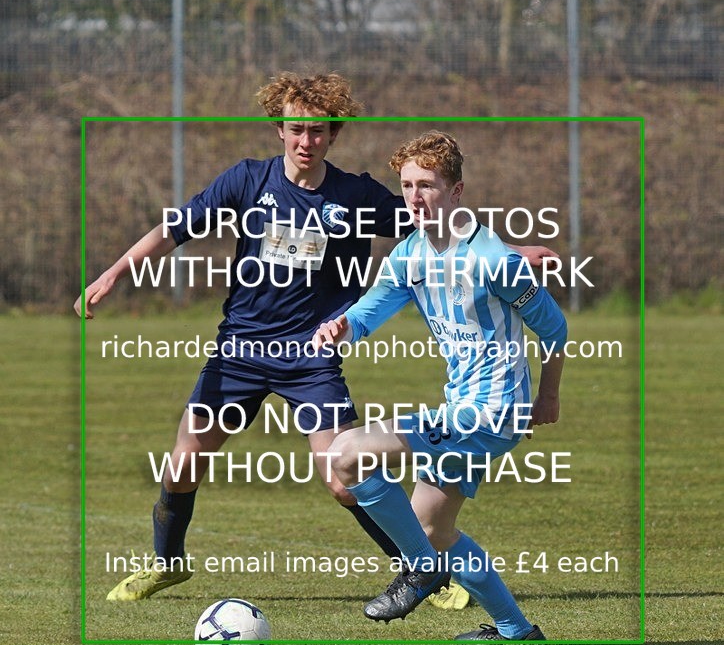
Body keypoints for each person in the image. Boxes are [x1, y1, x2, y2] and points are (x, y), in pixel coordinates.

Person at [76, 73, 555, 604]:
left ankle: (424, 572)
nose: (307, 141)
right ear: (279, 129)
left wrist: (513, 250)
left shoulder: (354, 195)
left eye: (320, 131)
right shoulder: (246, 181)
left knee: (343, 477)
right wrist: (113, 274)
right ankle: (167, 564)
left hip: (312, 357)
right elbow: (174, 229)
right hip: (240, 350)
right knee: (184, 463)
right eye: (297, 129)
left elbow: (435, 220)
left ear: (334, 134)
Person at [312, 131, 567, 641]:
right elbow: (369, 311)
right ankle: (515, 629)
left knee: (346, 453)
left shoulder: (494, 260)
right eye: (406, 185)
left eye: (426, 185)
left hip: (489, 411)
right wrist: (342, 325)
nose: (414, 196)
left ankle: (421, 569)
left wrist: (548, 396)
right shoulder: (409, 254)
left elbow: (555, 328)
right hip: (464, 408)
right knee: (434, 529)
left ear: (456, 191)